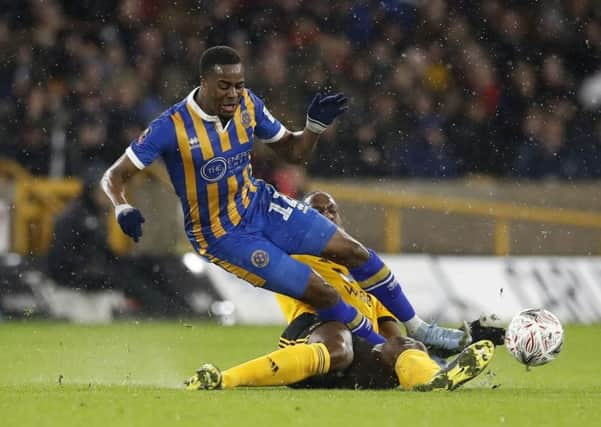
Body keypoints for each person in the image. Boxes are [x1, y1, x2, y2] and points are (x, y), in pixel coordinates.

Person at [102, 45, 468, 379]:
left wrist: (313, 128)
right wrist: (122, 208)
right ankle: (395, 356)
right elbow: (114, 175)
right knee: (322, 293)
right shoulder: (171, 126)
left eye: (238, 85)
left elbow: (293, 152)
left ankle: (421, 330)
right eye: (224, 86)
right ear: (205, 82)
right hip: (222, 235)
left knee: (352, 251)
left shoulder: (249, 104)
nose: (233, 93)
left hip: (261, 204)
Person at [184, 191, 503, 391]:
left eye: (330, 210)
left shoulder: (364, 284)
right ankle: (224, 379)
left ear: (340, 220)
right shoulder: (294, 257)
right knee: (339, 340)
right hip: (311, 332)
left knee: (402, 345)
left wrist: (402, 352)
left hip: (355, 358)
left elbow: (390, 336)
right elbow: (324, 301)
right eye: (314, 211)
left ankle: (434, 380)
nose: (324, 215)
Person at [48, 164, 193, 316]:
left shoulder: (92, 214)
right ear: (91, 192)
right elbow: (64, 259)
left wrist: (130, 261)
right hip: (77, 277)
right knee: (131, 279)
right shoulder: (75, 218)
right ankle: (165, 311)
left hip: (91, 272)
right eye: (103, 193)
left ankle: (176, 306)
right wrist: (97, 273)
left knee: (148, 264)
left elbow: (105, 253)